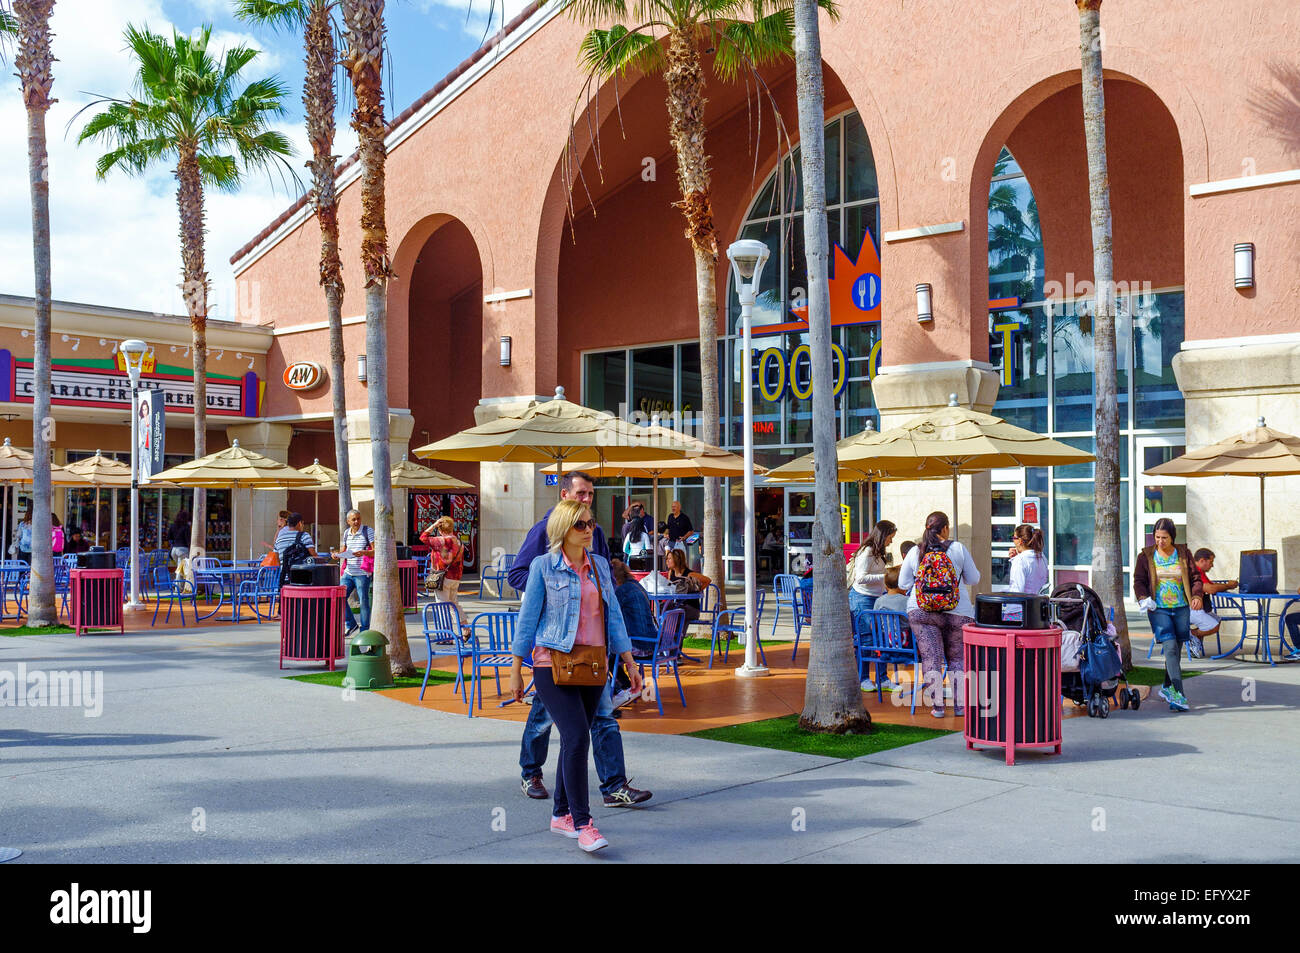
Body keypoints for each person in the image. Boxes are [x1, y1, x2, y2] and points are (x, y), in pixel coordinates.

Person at [505, 470, 651, 809]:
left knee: (600, 718)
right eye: (581, 493)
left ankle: (613, 785)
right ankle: (533, 774)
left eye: (590, 495)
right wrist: (556, 588)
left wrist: (627, 658)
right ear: (565, 495)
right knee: (545, 719)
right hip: (554, 651)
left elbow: (606, 594)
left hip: (592, 651)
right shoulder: (543, 534)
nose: (586, 501)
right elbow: (517, 575)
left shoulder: (594, 536)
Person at [899, 511, 980, 718]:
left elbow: (902, 583)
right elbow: (973, 578)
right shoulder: (958, 548)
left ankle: (938, 707)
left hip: (922, 610)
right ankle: (961, 706)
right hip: (958, 611)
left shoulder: (916, 551)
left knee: (931, 657)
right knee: (958, 658)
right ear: (945, 528)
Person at [1134, 518, 1203, 711]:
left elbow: (1195, 577)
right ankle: (1179, 695)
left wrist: (1197, 595)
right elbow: (1138, 580)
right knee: (1170, 647)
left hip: (1181, 607)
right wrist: (1143, 597)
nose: (1160, 541)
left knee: (1175, 651)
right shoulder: (1146, 556)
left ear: (1172, 537)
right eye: (1157, 537)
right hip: (1158, 609)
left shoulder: (1183, 553)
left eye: (1164, 537)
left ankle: (1166, 687)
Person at [849, 520, 897, 691]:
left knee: (880, 639)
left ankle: (882, 678)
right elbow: (860, 577)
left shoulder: (876, 552)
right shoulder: (867, 552)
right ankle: (863, 679)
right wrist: (885, 576)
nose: (891, 541)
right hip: (862, 599)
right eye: (890, 538)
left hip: (875, 598)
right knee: (867, 640)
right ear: (883, 535)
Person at [610, 558, 657, 708]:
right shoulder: (637, 585)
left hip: (639, 643)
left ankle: (625, 688)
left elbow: (610, 615)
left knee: (608, 656)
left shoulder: (620, 591)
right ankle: (626, 686)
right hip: (652, 641)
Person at [1188, 548, 1237, 658]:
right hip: (1189, 609)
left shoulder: (1200, 572)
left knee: (1217, 620)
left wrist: (1226, 585)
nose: (1212, 565)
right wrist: (1228, 585)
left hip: (1197, 608)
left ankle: (1194, 642)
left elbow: (1211, 586)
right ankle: (1191, 635)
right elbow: (1210, 589)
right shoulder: (1193, 572)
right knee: (1213, 626)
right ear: (1202, 561)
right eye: (1211, 562)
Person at [333, 509, 375, 635]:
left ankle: (364, 631)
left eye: (358, 518)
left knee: (363, 601)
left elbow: (375, 550)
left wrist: (364, 553)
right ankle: (351, 624)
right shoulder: (346, 533)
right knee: (339, 597)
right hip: (348, 572)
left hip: (362, 574)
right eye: (354, 519)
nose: (357, 521)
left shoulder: (368, 531)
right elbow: (343, 550)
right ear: (348, 521)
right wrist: (336, 555)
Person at [420, 515, 464, 612]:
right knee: (454, 604)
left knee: (442, 605)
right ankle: (463, 625)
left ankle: (446, 627)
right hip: (456, 577)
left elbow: (423, 537)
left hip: (443, 577)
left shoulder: (440, 541)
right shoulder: (459, 542)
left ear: (440, 530)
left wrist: (434, 525)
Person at [1008, 524, 1048, 594]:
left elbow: (1016, 592)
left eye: (1014, 538)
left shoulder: (1020, 561)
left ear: (1020, 541)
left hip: (1025, 603)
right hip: (1038, 602)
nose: (1013, 541)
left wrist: (1018, 558)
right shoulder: (1042, 557)